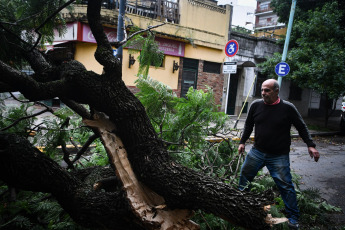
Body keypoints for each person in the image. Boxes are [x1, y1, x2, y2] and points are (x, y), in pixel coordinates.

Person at [238, 79, 320, 230]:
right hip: (257, 151)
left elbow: (301, 126)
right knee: (244, 177)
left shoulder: (287, 108)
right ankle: (239, 208)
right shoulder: (256, 105)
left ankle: (293, 219)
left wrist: (311, 145)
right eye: (262, 90)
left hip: (278, 155)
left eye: (267, 90)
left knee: (286, 186)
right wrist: (242, 142)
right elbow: (249, 124)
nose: (263, 93)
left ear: (276, 91)